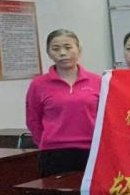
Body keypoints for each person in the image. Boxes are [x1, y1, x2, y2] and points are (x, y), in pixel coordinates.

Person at [25, 29, 102, 177]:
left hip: (92, 149)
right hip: (53, 153)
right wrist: (46, 142)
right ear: (48, 53)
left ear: (79, 49)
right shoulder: (38, 84)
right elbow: (33, 120)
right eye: (55, 49)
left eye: (68, 47)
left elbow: (105, 117)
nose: (62, 53)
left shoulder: (97, 81)